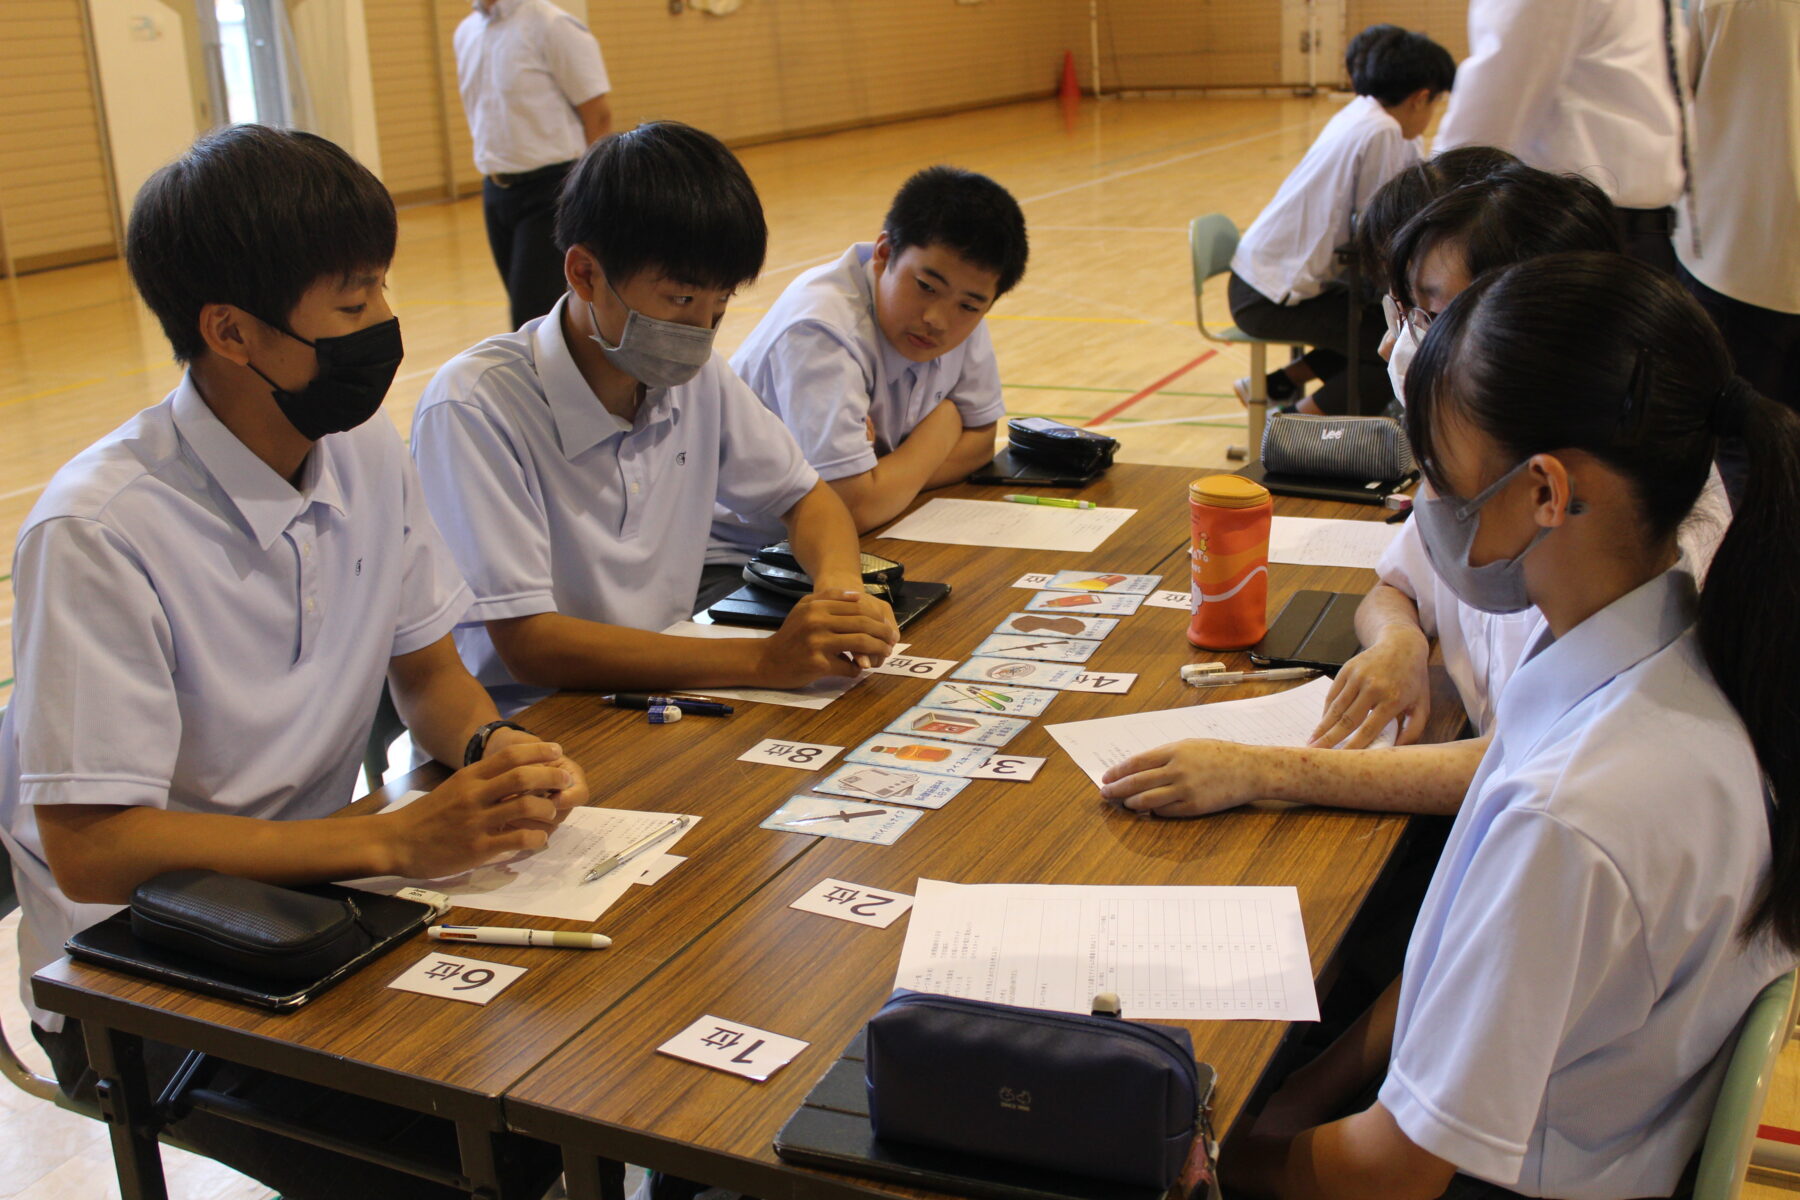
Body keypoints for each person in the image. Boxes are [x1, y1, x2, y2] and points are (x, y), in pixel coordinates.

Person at [0, 125, 586, 1199]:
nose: (386, 328)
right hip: (145, 980)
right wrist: (388, 837)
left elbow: (430, 675)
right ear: (232, 331)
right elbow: (92, 851)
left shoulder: (361, 450)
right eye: (354, 305)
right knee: (508, 1139)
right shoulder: (100, 530)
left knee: (587, 1054)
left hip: (321, 901)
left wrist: (495, 748)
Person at [1142, 254, 1800, 1198]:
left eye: (1443, 480)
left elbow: (1390, 1175)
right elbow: (1468, 966)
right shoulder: (1690, 650)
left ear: (1545, 493)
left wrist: (1220, 1162)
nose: (1427, 509)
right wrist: (1295, 1099)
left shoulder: (1572, 813)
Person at [411, 121, 900, 717]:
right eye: (680, 300)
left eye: (719, 305)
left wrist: (839, 598)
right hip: (529, 719)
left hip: (666, 690)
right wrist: (763, 661)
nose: (700, 332)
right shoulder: (475, 405)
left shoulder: (695, 378)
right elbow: (530, 645)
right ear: (585, 273)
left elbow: (807, 499)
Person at [711, 165, 1027, 558]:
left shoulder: (958, 313)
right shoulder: (820, 331)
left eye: (969, 306)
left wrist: (883, 484)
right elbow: (852, 507)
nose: (937, 319)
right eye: (926, 286)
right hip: (741, 558)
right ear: (883, 254)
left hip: (875, 534)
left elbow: (980, 445)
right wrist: (946, 423)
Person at [1228, 24, 1455, 415]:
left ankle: (1277, 385)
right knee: (1393, 346)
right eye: (1436, 103)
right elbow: (1379, 231)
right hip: (1268, 297)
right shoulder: (1382, 130)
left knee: (1376, 328)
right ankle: (1287, 430)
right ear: (1420, 98)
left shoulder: (1367, 114)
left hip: (1260, 283)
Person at [1434, 0, 1689, 271]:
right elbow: (1493, 104)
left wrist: (1436, 202)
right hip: (1572, 220)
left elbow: (1495, 101)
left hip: (1608, 227)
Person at [1673, 0, 1800, 501]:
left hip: (1734, 250)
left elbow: (1671, 100)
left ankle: (1765, 574)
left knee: (1744, 446)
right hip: (1738, 255)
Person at [455, 0, 613, 330]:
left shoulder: (552, 26)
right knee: (524, 306)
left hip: (552, 190)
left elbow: (598, 114)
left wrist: (591, 194)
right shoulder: (466, 33)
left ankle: (547, 381)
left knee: (532, 315)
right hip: (496, 190)